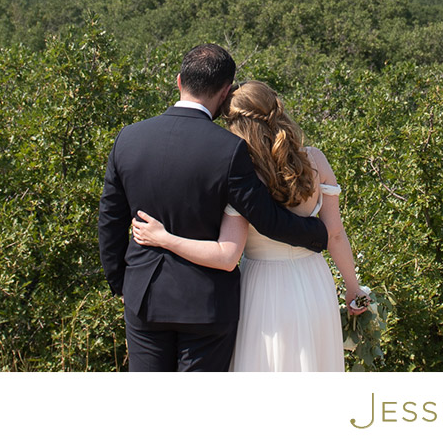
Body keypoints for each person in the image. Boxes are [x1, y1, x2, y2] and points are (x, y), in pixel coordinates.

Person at [97, 44, 330, 372]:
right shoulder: (230, 150)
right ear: (225, 92)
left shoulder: (129, 139)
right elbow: (266, 218)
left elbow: (109, 220)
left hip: (144, 297)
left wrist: (121, 285)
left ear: (179, 81)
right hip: (205, 305)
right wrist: (318, 233)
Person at [130, 80, 368, 372]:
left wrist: (164, 238)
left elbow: (226, 254)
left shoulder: (241, 176)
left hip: (262, 290)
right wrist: (353, 288)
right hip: (314, 283)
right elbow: (335, 235)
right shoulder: (315, 160)